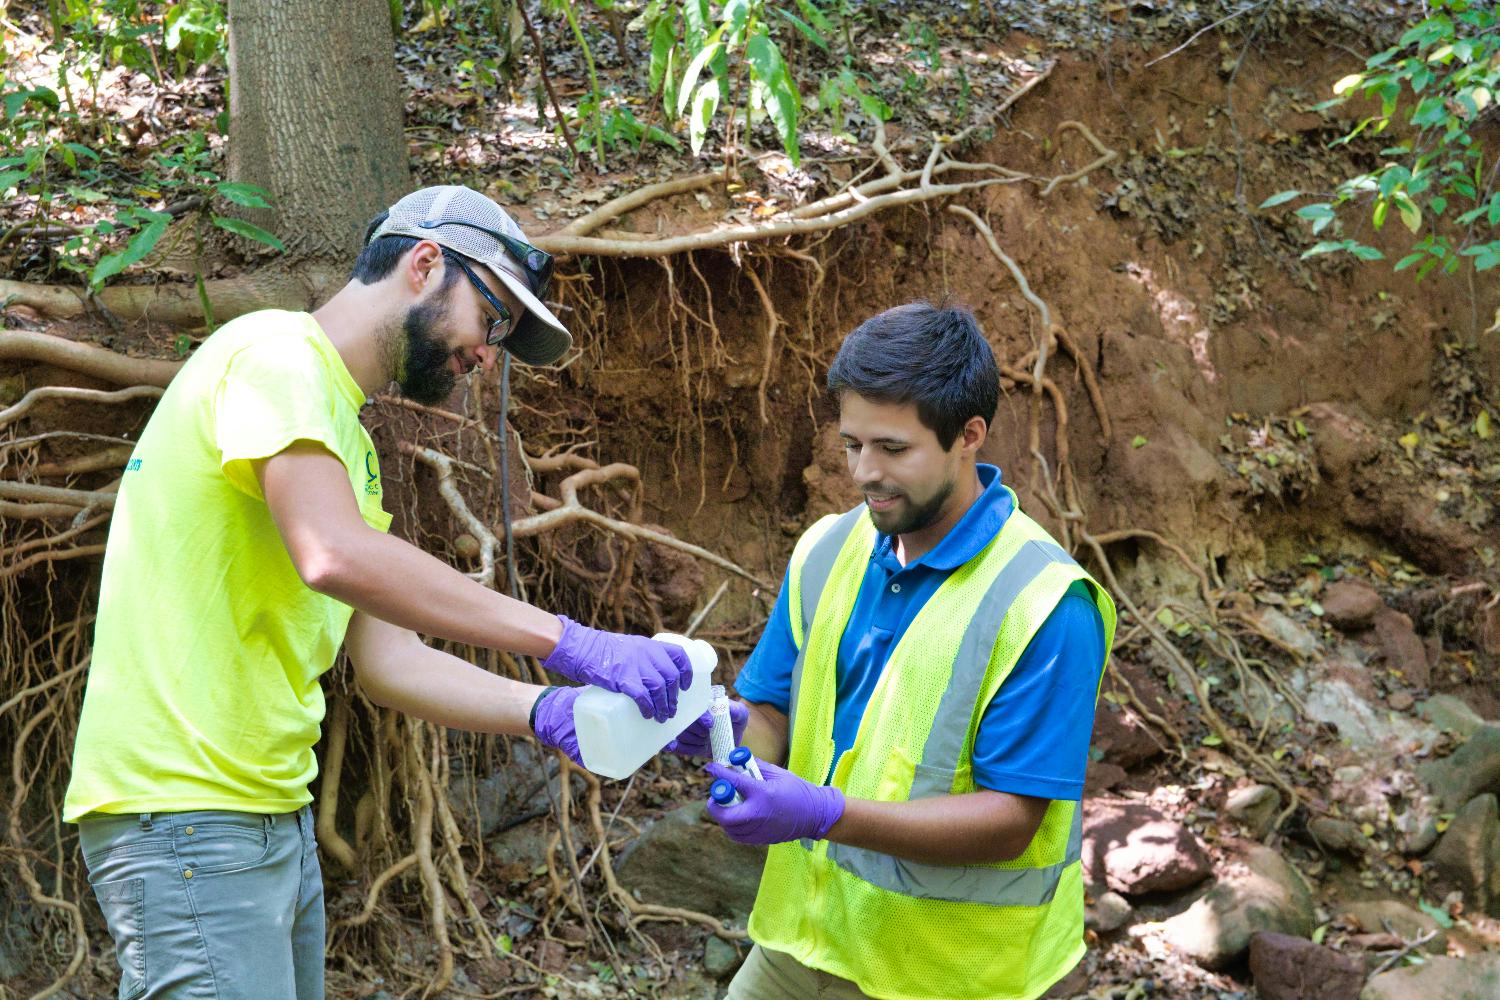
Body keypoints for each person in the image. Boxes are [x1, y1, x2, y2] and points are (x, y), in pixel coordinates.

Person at [63, 185, 695, 1000]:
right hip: (188, 813)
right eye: (493, 316)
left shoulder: (345, 446)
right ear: (425, 264)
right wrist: (567, 640)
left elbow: (389, 661)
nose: (488, 354)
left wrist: (548, 712)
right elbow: (332, 555)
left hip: (266, 818)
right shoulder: (276, 355)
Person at [678, 303, 1117, 1000]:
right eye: (852, 444)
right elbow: (773, 717)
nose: (863, 472)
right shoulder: (828, 548)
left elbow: (1011, 821)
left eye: (893, 448)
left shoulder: (1045, 604)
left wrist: (824, 813)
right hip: (804, 939)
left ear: (968, 436)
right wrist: (706, 730)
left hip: (952, 976)